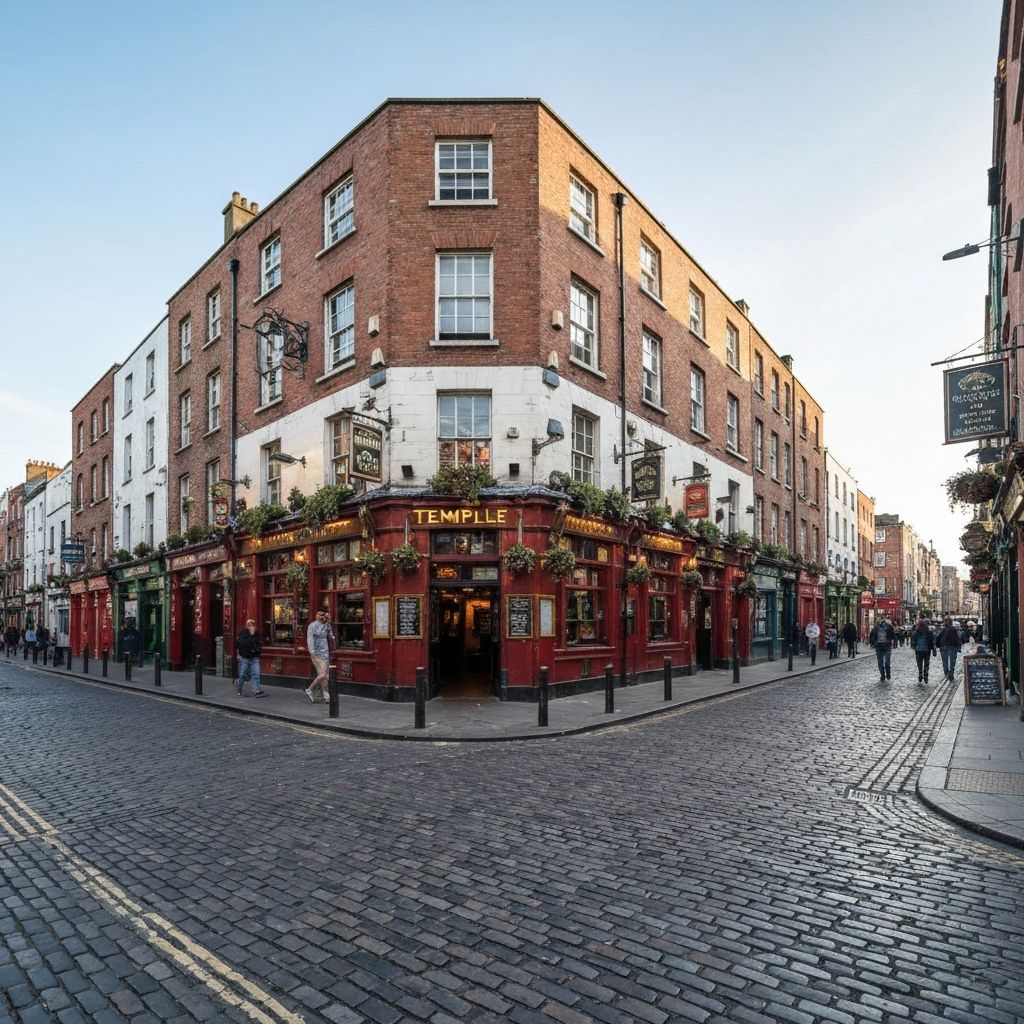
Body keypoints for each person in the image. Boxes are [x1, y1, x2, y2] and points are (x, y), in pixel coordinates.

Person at [305, 609, 335, 704]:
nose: (322, 617)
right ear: (317, 615)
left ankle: (326, 697)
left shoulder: (327, 625)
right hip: (316, 652)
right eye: (320, 615)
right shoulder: (312, 626)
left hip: (325, 651)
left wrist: (329, 621)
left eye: (323, 615)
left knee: (326, 676)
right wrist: (312, 652)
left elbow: (331, 636)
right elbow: (310, 639)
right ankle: (309, 689)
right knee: (323, 675)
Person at [234, 619, 265, 697]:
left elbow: (258, 643)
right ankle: (239, 689)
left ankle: (257, 691)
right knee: (242, 674)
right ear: (246, 626)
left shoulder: (257, 633)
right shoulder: (243, 633)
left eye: (253, 625)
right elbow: (243, 644)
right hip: (245, 657)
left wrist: (258, 651)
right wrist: (251, 635)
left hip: (254, 657)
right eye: (249, 625)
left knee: (256, 674)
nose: (251, 627)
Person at [869, 615, 897, 682]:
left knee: (887, 662)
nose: (880, 621)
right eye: (879, 620)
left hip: (887, 646)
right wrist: (873, 643)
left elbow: (893, 635)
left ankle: (888, 673)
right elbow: (872, 636)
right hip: (879, 647)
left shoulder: (889, 627)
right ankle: (882, 675)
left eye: (881, 620)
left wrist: (893, 643)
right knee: (880, 663)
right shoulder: (876, 628)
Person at [935, 615, 962, 682]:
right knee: (952, 661)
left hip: (943, 646)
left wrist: (938, 645)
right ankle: (951, 673)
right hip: (952, 646)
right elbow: (957, 639)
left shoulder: (943, 629)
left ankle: (947, 674)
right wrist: (958, 647)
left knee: (945, 662)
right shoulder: (953, 629)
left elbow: (938, 637)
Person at [910, 613, 935, 684]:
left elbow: (913, 638)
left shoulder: (916, 632)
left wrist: (913, 646)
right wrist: (932, 647)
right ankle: (925, 674)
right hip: (927, 650)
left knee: (919, 663)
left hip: (918, 650)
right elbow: (932, 640)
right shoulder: (929, 632)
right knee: (926, 663)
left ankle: (920, 673)